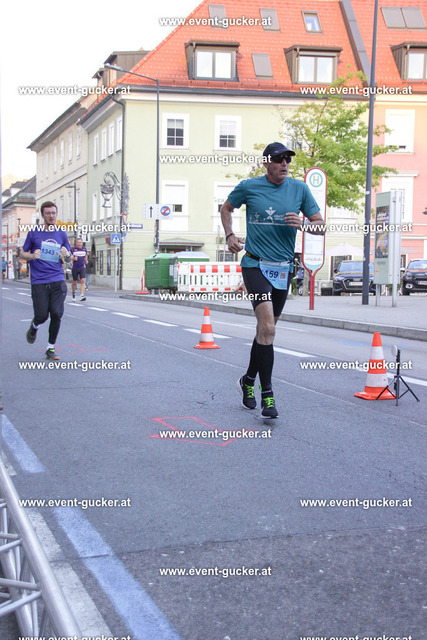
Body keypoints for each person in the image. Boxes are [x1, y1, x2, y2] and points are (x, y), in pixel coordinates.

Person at [220, 142, 325, 418]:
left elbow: (321, 225)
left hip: (283, 268)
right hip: (255, 264)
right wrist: (230, 235)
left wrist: (304, 224)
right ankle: (267, 394)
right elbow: (226, 208)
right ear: (266, 162)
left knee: (266, 331)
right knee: (268, 327)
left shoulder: (299, 189)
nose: (284, 163)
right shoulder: (249, 186)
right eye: (279, 159)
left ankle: (247, 380)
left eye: (288, 159)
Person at [21, 201, 72, 360]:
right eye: (48, 213)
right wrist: (32, 256)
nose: (51, 216)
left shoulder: (61, 234)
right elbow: (22, 253)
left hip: (57, 279)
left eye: (53, 213)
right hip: (39, 281)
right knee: (42, 316)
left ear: (56, 214)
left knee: (57, 313)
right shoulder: (34, 233)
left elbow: (69, 257)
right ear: (43, 215)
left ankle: (50, 348)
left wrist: (67, 254)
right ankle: (34, 326)